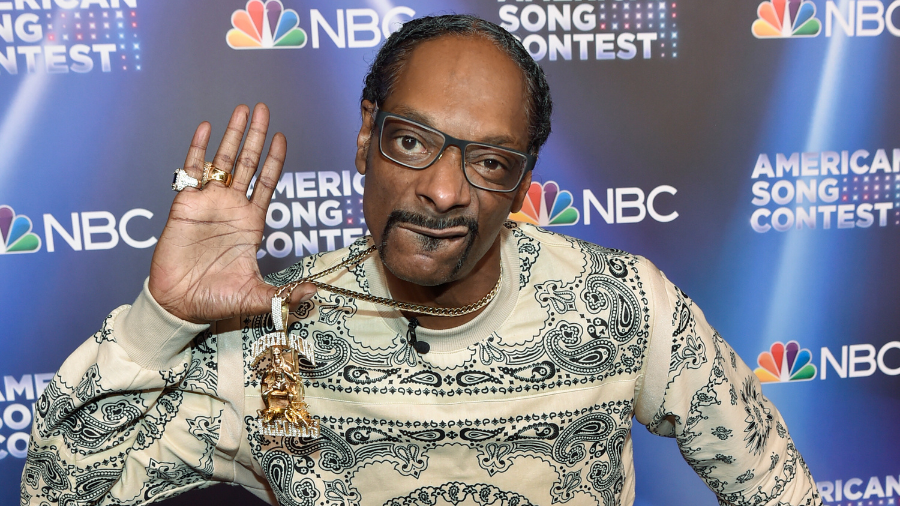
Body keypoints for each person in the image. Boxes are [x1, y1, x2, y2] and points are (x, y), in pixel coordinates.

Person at [20, 14, 822, 506]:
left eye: (489, 162)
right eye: (411, 142)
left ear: (522, 186)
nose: (442, 190)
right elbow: (60, 493)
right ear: (365, 138)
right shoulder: (269, 334)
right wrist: (159, 319)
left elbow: (777, 487)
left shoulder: (621, 305)